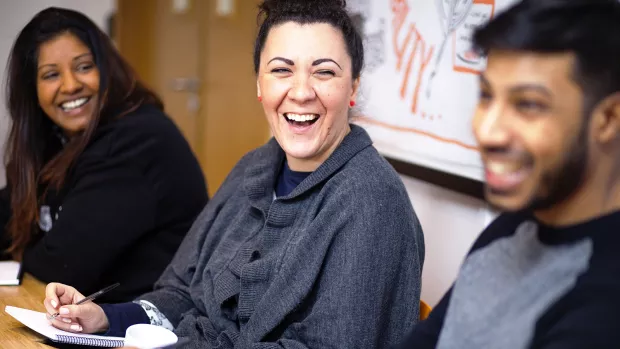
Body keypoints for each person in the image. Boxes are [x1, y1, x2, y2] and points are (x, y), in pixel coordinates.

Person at [43, 0, 426, 347]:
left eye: (324, 73)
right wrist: (107, 317)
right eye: (281, 70)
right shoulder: (255, 167)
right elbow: (180, 293)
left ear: (353, 87)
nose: (301, 91)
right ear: (260, 84)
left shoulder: (373, 203)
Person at [397, 0, 620, 348]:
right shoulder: (511, 227)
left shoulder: (603, 307)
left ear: (609, 119)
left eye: (528, 105)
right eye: (486, 95)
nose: (488, 131)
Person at [0, 7, 208, 302]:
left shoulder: (136, 139)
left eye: (84, 67)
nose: (71, 85)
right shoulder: (61, 139)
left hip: (145, 330)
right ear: (31, 90)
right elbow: (10, 213)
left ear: (107, 68)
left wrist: (22, 250)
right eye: (51, 75)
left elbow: (62, 268)